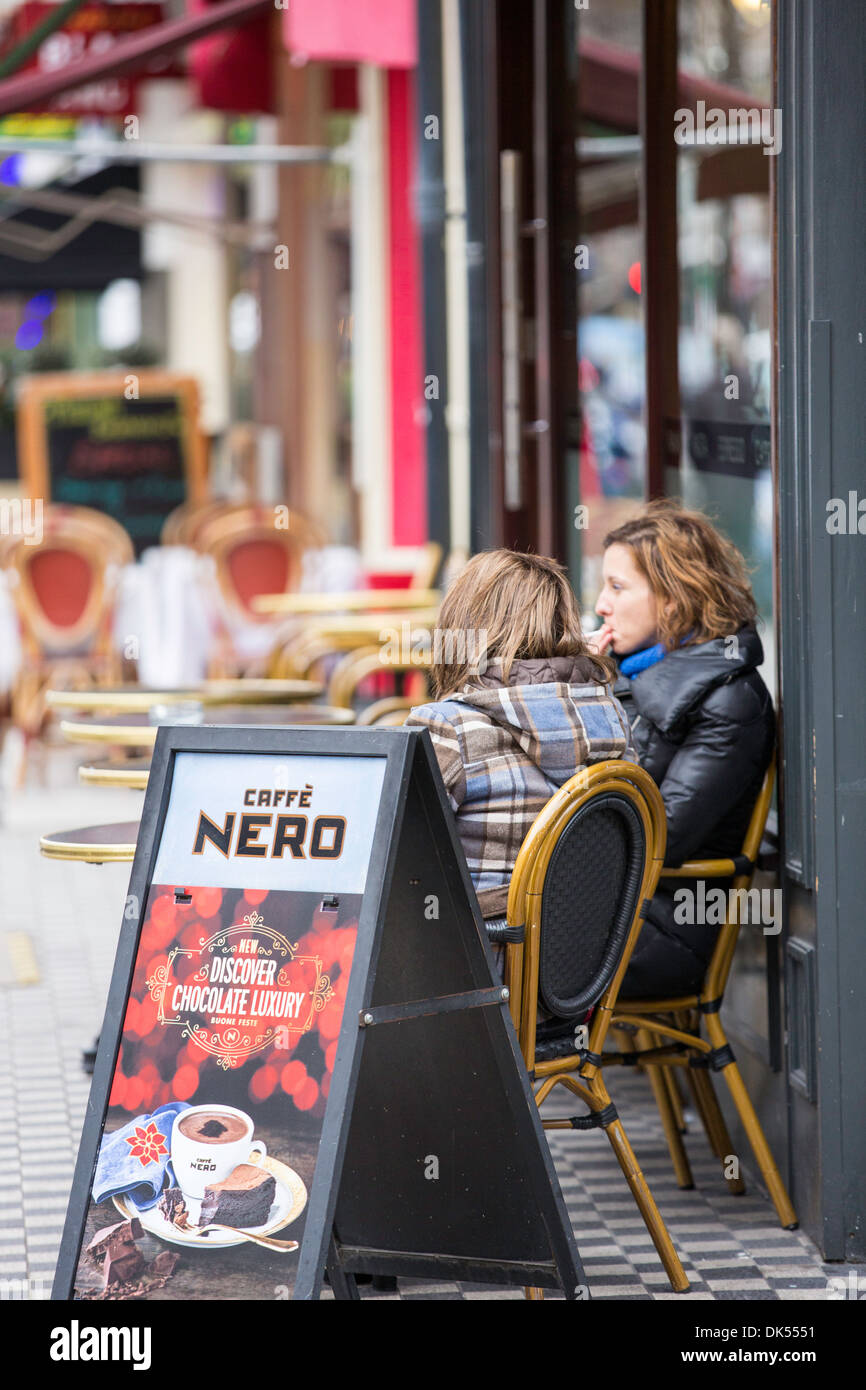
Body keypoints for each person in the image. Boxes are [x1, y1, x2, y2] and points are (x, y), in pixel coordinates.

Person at [587, 498, 775, 997]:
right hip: (612, 906)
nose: (601, 604)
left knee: (480, 952)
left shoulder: (729, 698)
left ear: (672, 599)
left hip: (664, 929)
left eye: (618, 587)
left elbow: (661, 837)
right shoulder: (638, 672)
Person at [405, 549, 635, 951]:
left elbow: (390, 860)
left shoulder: (447, 729)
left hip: (469, 980)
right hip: (575, 983)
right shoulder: (613, 719)